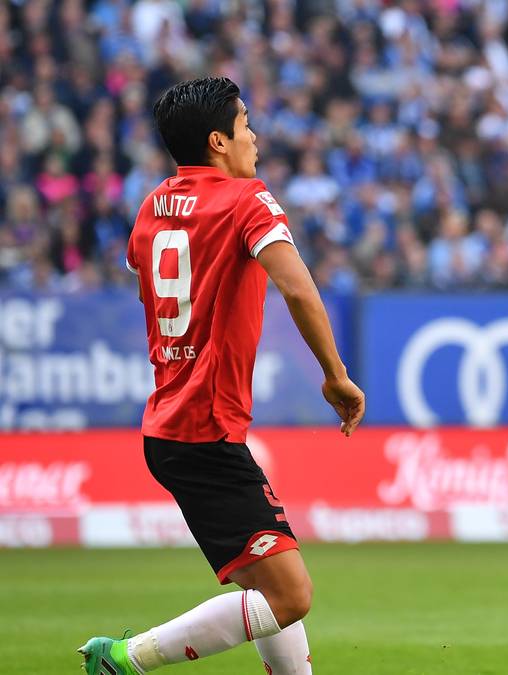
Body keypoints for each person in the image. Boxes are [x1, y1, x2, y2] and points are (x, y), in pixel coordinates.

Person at [78, 77, 366, 675]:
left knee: (270, 582)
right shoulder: (247, 200)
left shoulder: (151, 205)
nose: (253, 137)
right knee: (291, 596)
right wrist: (335, 376)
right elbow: (297, 287)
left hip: (170, 423)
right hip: (204, 430)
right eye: (244, 126)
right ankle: (124, 659)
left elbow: (149, 288)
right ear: (217, 141)